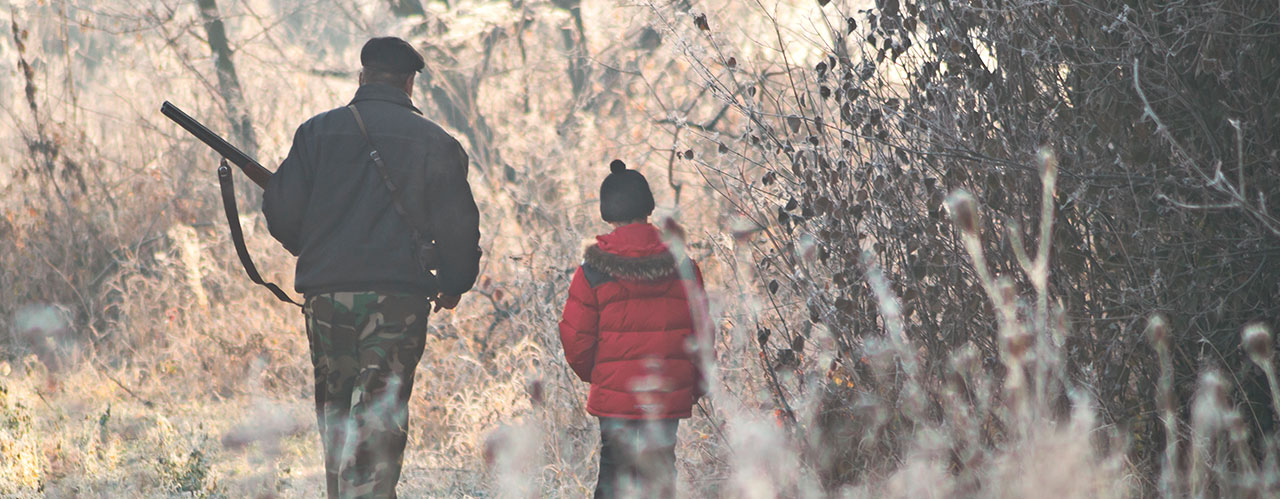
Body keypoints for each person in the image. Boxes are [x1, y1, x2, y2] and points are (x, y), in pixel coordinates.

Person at [262, 36, 481, 498]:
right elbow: (459, 226)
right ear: (409, 83)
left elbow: (281, 211)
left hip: (325, 299)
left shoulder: (316, 133)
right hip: (398, 301)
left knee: (336, 416)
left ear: (361, 78)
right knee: (378, 419)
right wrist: (455, 283)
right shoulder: (437, 143)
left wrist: (315, 249)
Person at [558, 160, 711, 498]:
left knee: (613, 476)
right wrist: (694, 385)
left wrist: (602, 375)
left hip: (615, 398)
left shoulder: (592, 271)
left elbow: (575, 339)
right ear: (647, 209)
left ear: (608, 215)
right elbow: (701, 336)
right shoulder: (683, 266)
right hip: (666, 391)